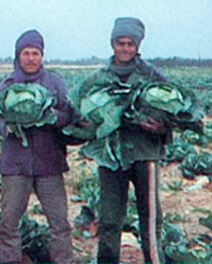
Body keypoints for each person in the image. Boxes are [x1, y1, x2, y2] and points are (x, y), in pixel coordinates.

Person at [79, 17, 168, 264]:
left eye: (131, 43)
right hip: (110, 155)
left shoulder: (152, 76)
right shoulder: (99, 77)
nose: (126, 48)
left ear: (138, 46)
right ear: (113, 44)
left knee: (150, 220)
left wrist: (161, 127)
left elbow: (174, 112)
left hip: (144, 154)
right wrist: (86, 125)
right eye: (121, 43)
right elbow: (80, 110)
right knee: (109, 220)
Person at [0, 29, 74, 264]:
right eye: (26, 53)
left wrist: (53, 118)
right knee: (9, 224)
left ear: (42, 56)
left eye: (35, 53)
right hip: (15, 164)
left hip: (49, 163)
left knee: (59, 223)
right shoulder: (7, 84)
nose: (30, 58)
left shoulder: (55, 82)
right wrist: (7, 128)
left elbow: (68, 115)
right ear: (18, 56)